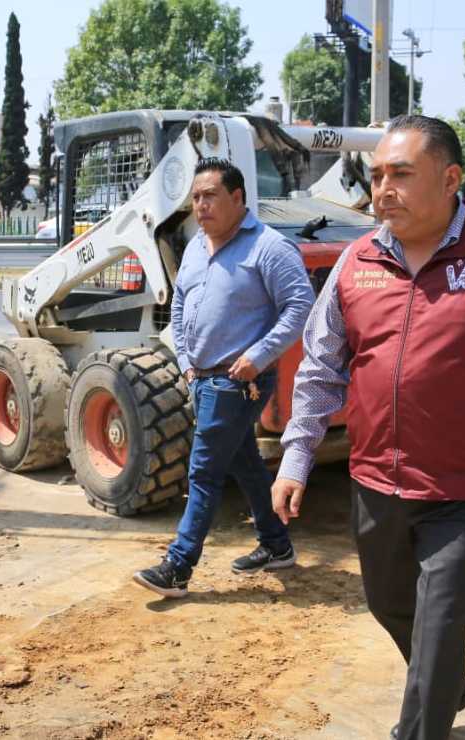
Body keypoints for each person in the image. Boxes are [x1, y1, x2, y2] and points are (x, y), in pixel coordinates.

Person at [272, 115, 465, 740]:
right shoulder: (356, 261)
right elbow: (319, 367)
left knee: (441, 629)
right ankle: (451, 685)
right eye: (378, 174)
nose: (383, 188)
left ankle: (425, 715)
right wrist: (295, 456)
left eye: (401, 174)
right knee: (391, 606)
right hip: (376, 481)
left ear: (450, 179)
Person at [132, 158, 316, 599]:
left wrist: (258, 355)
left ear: (237, 198)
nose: (200, 206)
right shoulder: (196, 246)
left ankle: (179, 565)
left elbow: (300, 306)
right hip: (202, 376)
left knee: (203, 472)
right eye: (195, 197)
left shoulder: (269, 248)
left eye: (210, 195)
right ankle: (276, 546)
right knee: (244, 464)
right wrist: (186, 361)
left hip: (240, 381)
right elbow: (179, 305)